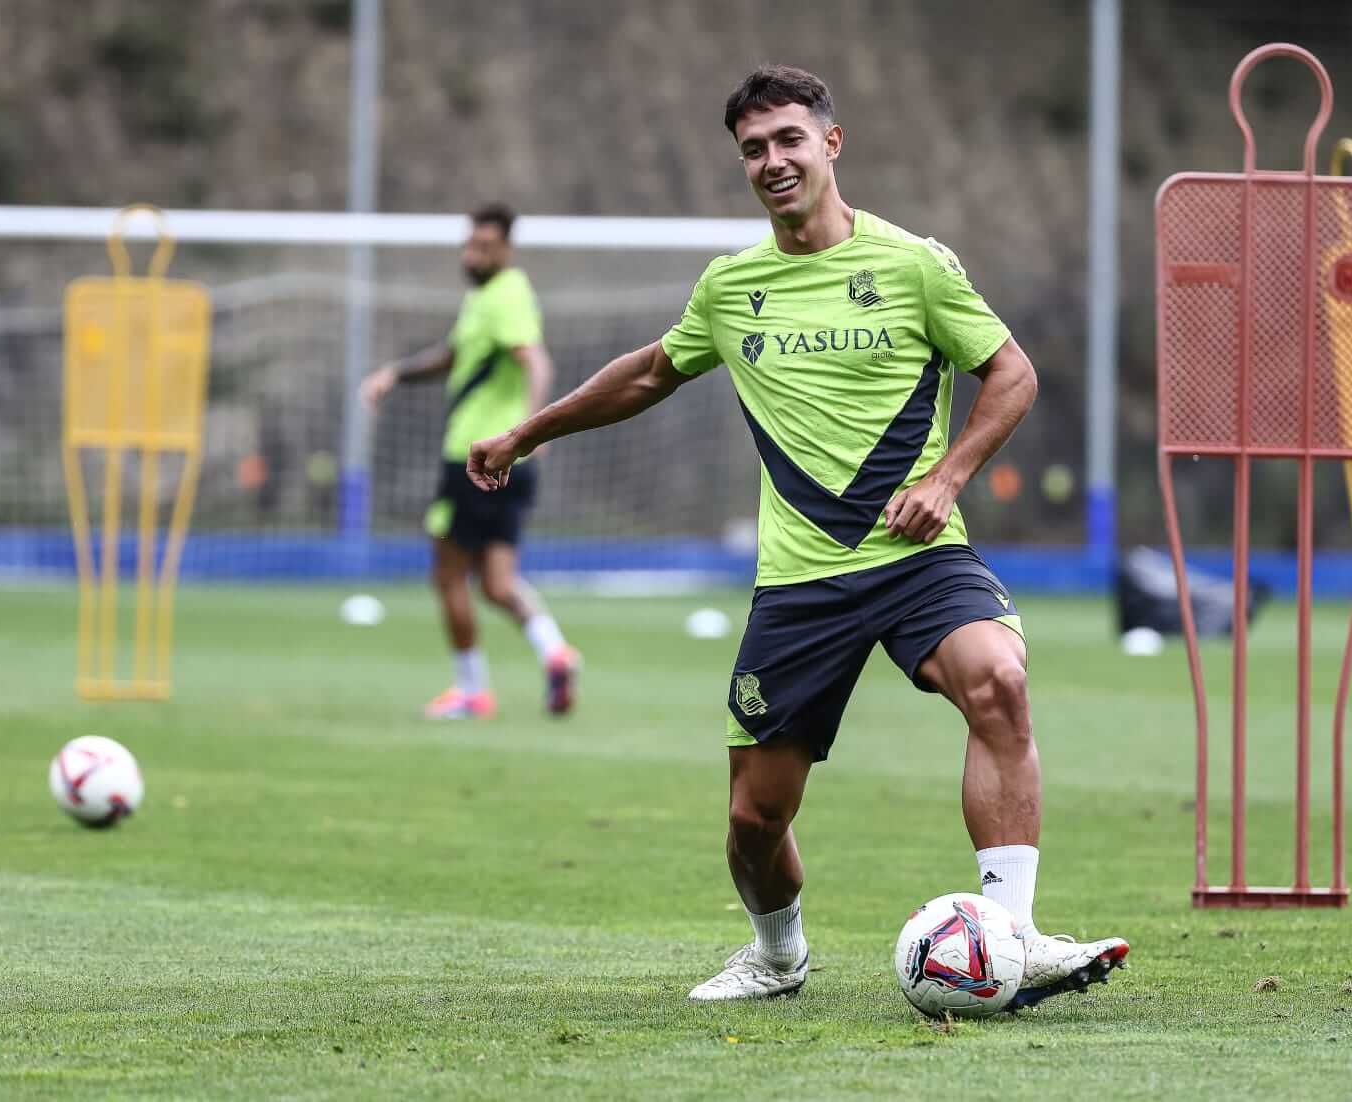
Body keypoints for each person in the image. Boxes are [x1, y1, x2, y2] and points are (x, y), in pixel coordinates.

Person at [467, 65, 1127, 1006]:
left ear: (830, 142)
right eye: (752, 149)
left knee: (999, 681)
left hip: (917, 558)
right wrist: (525, 433)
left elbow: (1011, 373)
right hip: (800, 583)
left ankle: (1012, 936)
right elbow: (649, 373)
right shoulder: (731, 286)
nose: (772, 161)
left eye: (788, 140)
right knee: (754, 817)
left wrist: (946, 478)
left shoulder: (913, 265)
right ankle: (777, 955)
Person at [361, 203, 581, 720]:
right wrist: (396, 374)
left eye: (484, 247)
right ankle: (555, 652)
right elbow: (454, 355)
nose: (471, 255)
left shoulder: (506, 296)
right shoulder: (484, 298)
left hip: (477, 459)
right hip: (504, 459)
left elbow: (536, 361)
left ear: (506, 249)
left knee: (447, 575)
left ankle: (471, 690)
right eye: (469, 245)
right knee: (497, 584)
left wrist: (532, 431)